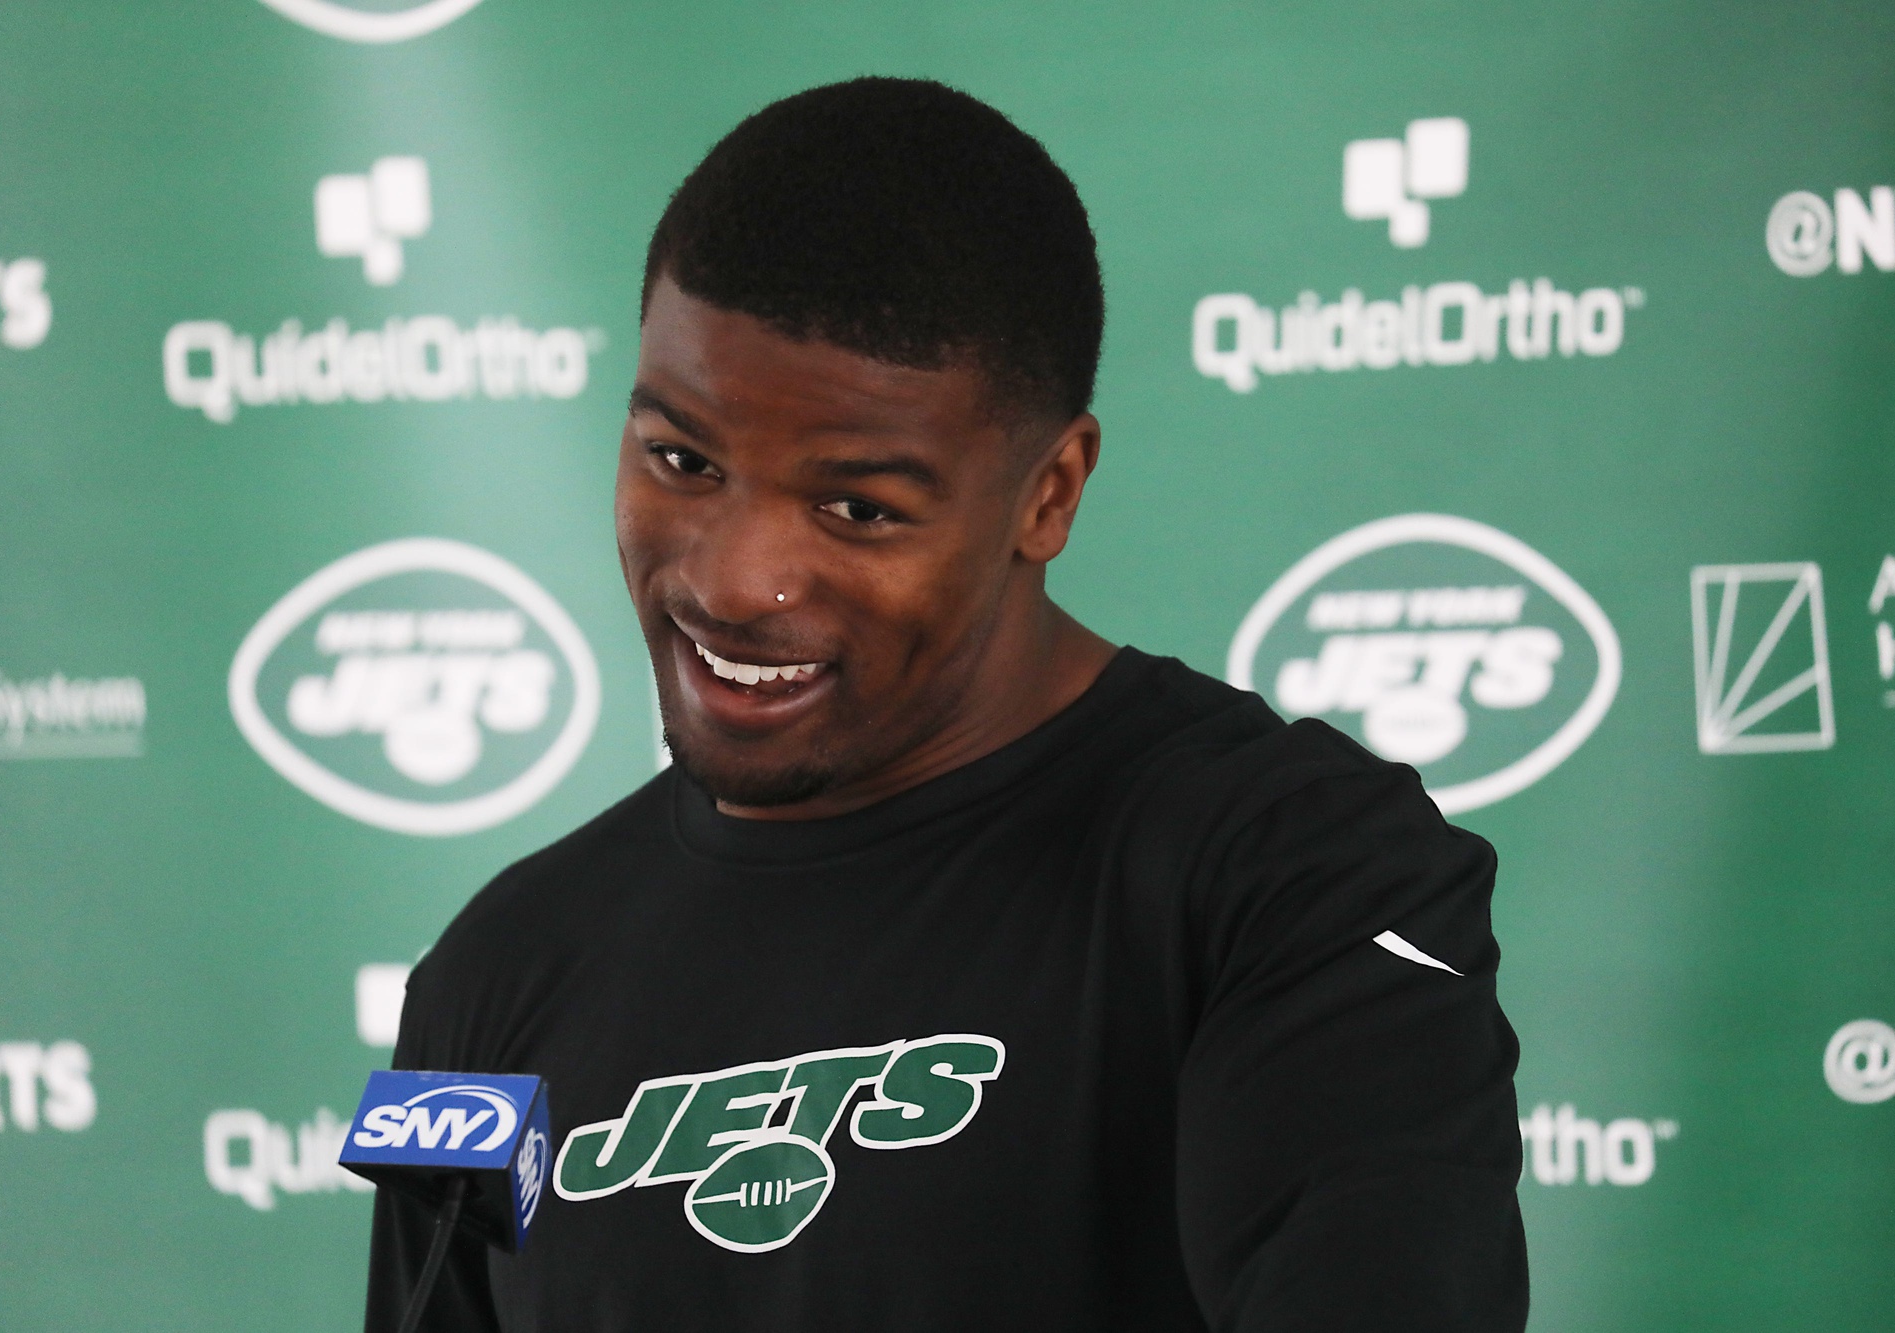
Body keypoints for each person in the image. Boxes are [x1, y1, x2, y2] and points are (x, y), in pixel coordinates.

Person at [366, 76, 1527, 1332]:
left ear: (1049, 492)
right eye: (681, 461)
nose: (728, 579)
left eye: (855, 507)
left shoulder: (1296, 872)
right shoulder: (489, 980)